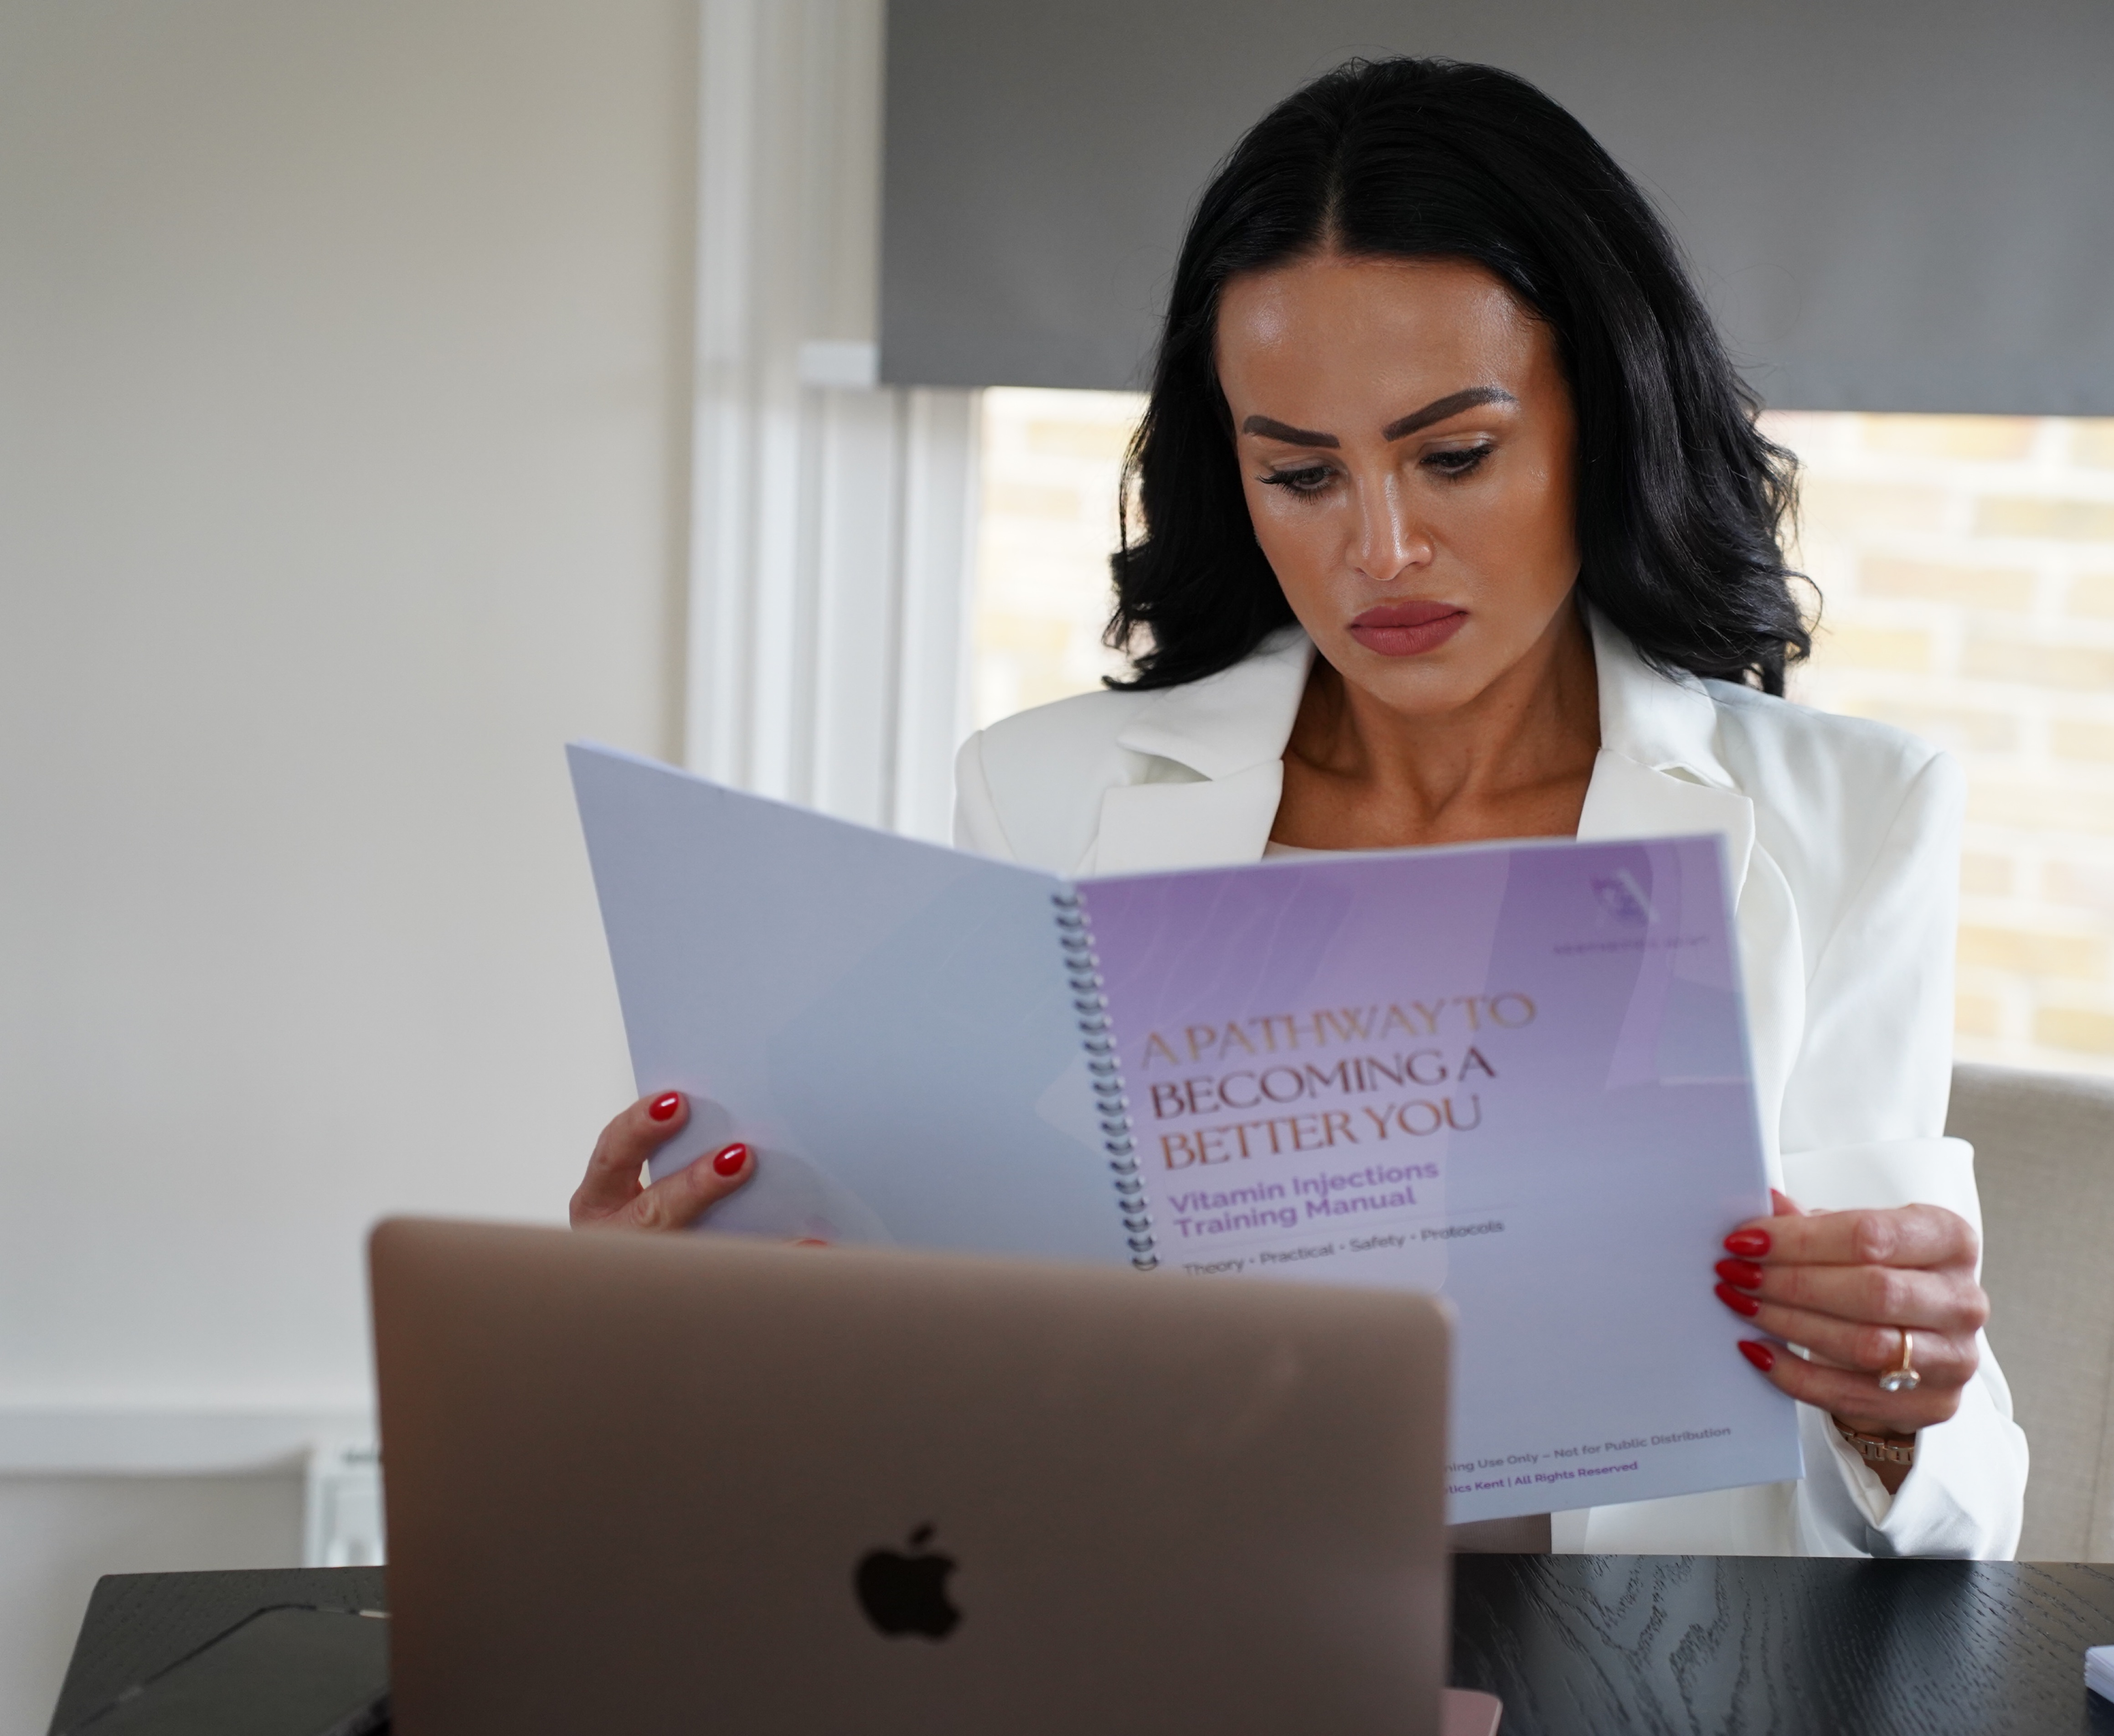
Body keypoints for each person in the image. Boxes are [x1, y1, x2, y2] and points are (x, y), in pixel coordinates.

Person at [572, 57, 2026, 1559]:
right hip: (1175, 1622)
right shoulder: (1048, 799)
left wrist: (1893, 1403)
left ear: (1607, 419)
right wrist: (689, 1319)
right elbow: (957, 1377)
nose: (1380, 551)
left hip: (1637, 1658)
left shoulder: (1855, 819)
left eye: (1454, 455)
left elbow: (1956, 1501)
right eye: (1302, 475)